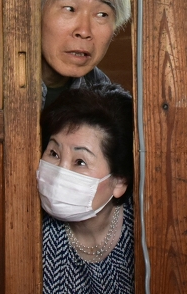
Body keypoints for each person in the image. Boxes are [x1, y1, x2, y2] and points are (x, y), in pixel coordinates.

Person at [37, 81, 135, 292]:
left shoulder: (146, 231)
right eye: (54, 153)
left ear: (119, 181)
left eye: (80, 162)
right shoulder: (31, 233)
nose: (60, 172)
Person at [41, 0, 131, 109]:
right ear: (34, 12)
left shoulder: (106, 101)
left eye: (102, 14)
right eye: (70, 9)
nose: (84, 31)